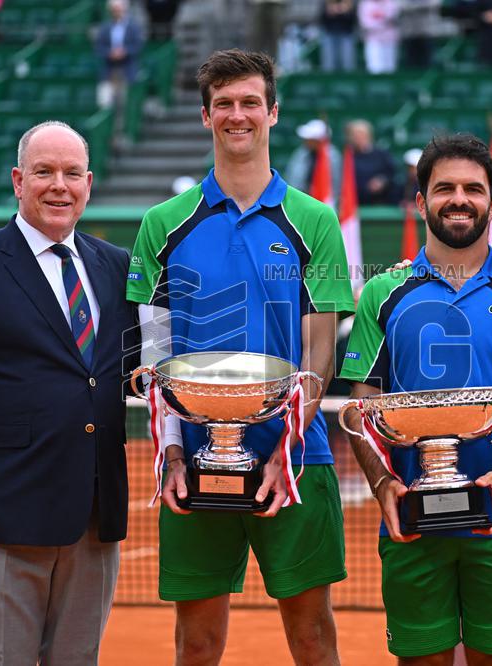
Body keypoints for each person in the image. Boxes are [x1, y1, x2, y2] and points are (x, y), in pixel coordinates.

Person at [126, 49, 354, 664]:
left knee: (312, 637)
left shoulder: (315, 220)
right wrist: (172, 453)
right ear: (205, 117)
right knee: (196, 643)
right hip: (192, 460)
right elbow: (155, 353)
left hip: (297, 457)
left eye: (250, 102)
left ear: (272, 112)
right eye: (223, 103)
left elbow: (320, 352)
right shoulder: (162, 223)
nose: (237, 114)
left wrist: (284, 448)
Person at [0, 121, 136, 665]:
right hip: (2, 522)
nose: (59, 185)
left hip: (93, 519)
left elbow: (133, 373)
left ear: (89, 184)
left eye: (72, 173)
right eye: (44, 172)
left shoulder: (117, 267)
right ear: (18, 181)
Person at [340, 133, 492, 664]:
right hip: (410, 516)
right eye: (444, 189)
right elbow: (364, 405)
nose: (459, 199)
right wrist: (384, 485)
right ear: (420, 202)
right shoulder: (381, 291)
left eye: (473, 189)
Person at [95, 0, 144, 141]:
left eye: (119, 9)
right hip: (109, 71)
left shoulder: (133, 27)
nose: (117, 12)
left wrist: (124, 51)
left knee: (124, 103)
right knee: (105, 103)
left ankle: (122, 132)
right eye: (114, 9)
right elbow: (99, 47)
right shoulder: (105, 28)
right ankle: (107, 134)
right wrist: (110, 53)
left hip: (126, 71)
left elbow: (138, 45)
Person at [284, 118, 342, 197]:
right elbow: (293, 179)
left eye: (310, 139)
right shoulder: (300, 154)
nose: (306, 141)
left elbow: (337, 184)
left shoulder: (333, 157)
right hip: (302, 198)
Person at [346, 119, 398, 205]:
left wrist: (382, 181)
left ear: (369, 135)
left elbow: (392, 174)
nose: (358, 138)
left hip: (380, 202)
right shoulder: (348, 157)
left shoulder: (382, 154)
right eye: (355, 135)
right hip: (356, 203)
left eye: (361, 134)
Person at [358, 0, 399, 74]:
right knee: (374, 67)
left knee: (390, 67)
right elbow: (365, 23)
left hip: (389, 39)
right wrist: (382, 24)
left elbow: (391, 16)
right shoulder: (365, 4)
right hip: (372, 39)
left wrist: (378, 22)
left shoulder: (390, 2)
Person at [319, 0, 357, 72]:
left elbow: (354, 18)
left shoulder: (350, 2)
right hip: (329, 33)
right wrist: (332, 11)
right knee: (329, 63)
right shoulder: (326, 2)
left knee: (348, 63)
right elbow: (321, 18)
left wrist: (345, 11)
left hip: (347, 33)